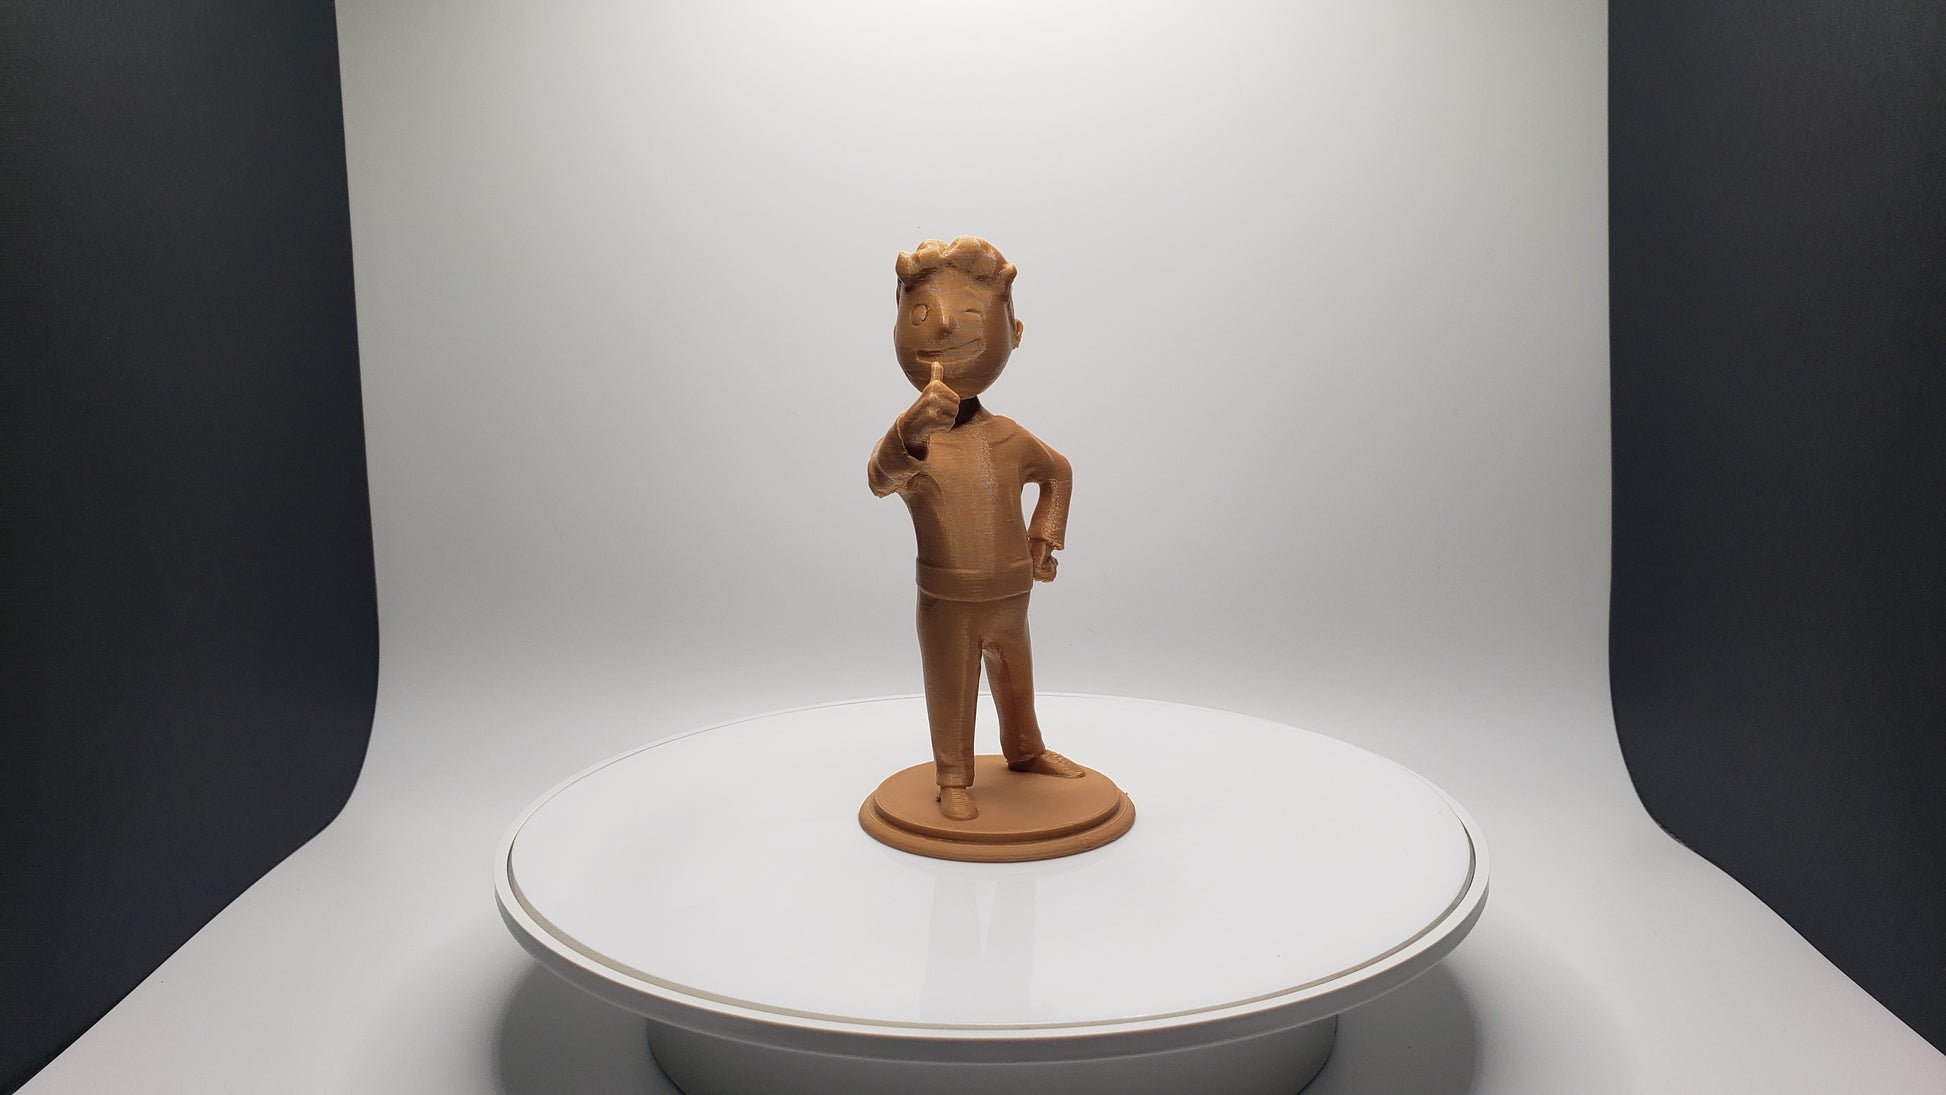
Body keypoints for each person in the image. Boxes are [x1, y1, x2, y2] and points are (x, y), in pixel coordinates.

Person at [868, 237, 1085, 821]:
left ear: (1014, 333)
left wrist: (1043, 537)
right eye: (920, 313)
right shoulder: (916, 442)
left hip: (1011, 590)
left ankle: (1026, 749)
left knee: (1016, 675)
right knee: (952, 684)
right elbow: (881, 478)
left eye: (968, 313)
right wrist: (909, 432)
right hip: (948, 597)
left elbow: (1058, 472)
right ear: (896, 332)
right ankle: (953, 776)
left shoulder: (1010, 437)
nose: (943, 324)